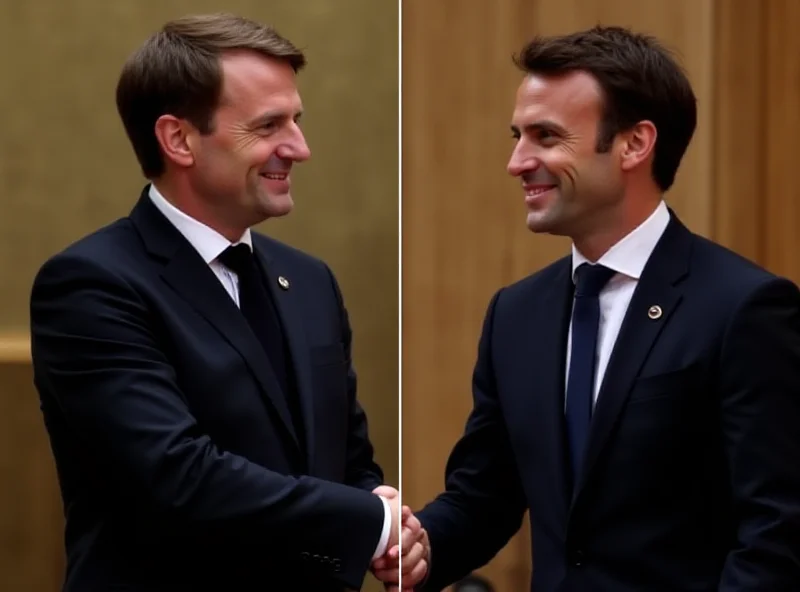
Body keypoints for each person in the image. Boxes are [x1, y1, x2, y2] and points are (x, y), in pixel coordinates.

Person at [29, 13, 420, 592]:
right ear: (179, 139)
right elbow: (176, 476)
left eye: (297, 120)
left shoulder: (310, 282)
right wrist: (369, 520)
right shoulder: (91, 285)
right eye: (268, 126)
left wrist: (387, 525)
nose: (300, 148)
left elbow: (348, 462)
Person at [405, 26, 800, 591]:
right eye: (518, 136)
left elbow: (776, 533)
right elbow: (483, 497)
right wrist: (408, 548)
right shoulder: (515, 315)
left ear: (634, 145)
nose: (518, 161)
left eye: (546, 136)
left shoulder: (744, 308)